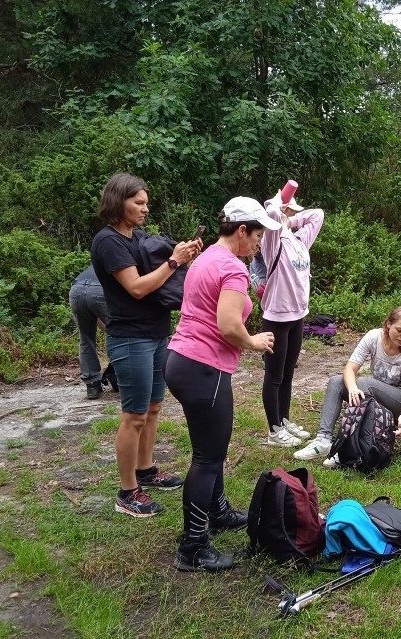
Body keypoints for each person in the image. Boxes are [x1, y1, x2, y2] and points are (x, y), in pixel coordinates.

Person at [164, 196, 279, 571]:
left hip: (182, 360)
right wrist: (254, 341)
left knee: (206, 451)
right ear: (241, 230)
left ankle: (217, 511)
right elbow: (229, 326)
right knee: (208, 458)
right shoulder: (232, 267)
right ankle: (193, 547)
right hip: (204, 367)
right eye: (258, 235)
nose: (259, 244)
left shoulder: (206, 258)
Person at [91, 173, 202, 518]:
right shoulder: (108, 242)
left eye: (146, 202)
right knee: (134, 415)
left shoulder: (138, 237)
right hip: (129, 337)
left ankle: (146, 469)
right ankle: (127, 492)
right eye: (138, 202)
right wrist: (175, 261)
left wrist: (184, 254)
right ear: (117, 201)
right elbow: (137, 287)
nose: (145, 208)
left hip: (155, 332)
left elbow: (163, 278)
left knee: (153, 407)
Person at [294, 306, 401, 465]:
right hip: (379, 394)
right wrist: (351, 389)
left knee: (364, 383)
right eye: (399, 330)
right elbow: (350, 368)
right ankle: (323, 439)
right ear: (388, 324)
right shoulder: (373, 337)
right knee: (336, 382)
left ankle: (348, 448)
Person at [259, 190, 324, 446]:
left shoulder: (299, 241)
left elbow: (318, 215)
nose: (293, 215)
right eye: (290, 211)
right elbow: (272, 213)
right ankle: (274, 431)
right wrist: (281, 203)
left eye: (294, 212)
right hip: (277, 317)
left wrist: (292, 220)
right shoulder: (273, 241)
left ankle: (283, 420)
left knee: (288, 373)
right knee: (273, 376)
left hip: (298, 316)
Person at [68, 265, 109, 399]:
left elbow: (94, 314)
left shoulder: (100, 259)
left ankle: (92, 385)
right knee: (123, 335)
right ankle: (120, 378)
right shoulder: (127, 261)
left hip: (77, 289)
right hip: (101, 288)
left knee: (86, 338)